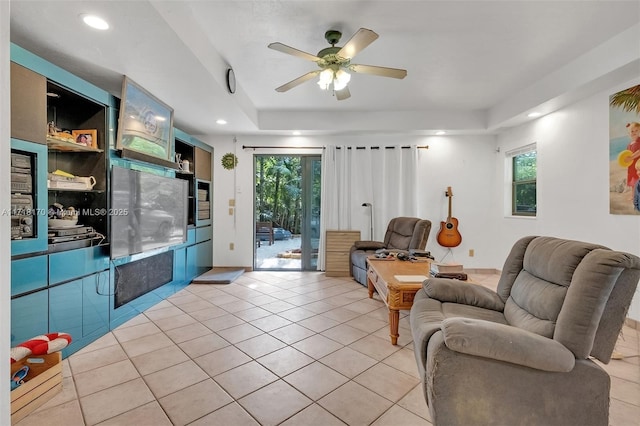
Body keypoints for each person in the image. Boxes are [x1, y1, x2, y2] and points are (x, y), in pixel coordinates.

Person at [625, 122, 640, 200]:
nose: (634, 132)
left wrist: (631, 158)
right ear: (629, 133)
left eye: (636, 130)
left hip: (638, 164)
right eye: (632, 131)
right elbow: (626, 155)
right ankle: (633, 196)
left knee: (638, 179)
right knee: (633, 182)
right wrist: (626, 160)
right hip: (631, 166)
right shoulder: (629, 144)